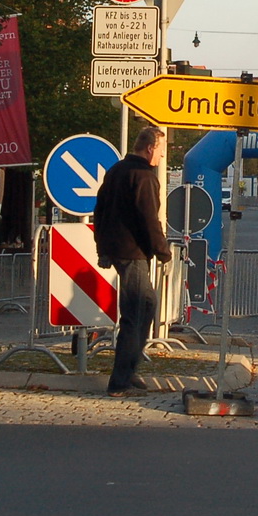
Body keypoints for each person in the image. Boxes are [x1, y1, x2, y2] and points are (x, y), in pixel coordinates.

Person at [92, 125, 172, 397]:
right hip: (133, 252)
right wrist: (163, 251)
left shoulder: (116, 171)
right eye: (161, 150)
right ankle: (120, 382)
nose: (162, 156)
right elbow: (149, 220)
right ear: (150, 148)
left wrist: (102, 248)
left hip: (116, 250)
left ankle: (130, 369)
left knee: (147, 305)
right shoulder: (144, 177)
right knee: (135, 314)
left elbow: (100, 211)